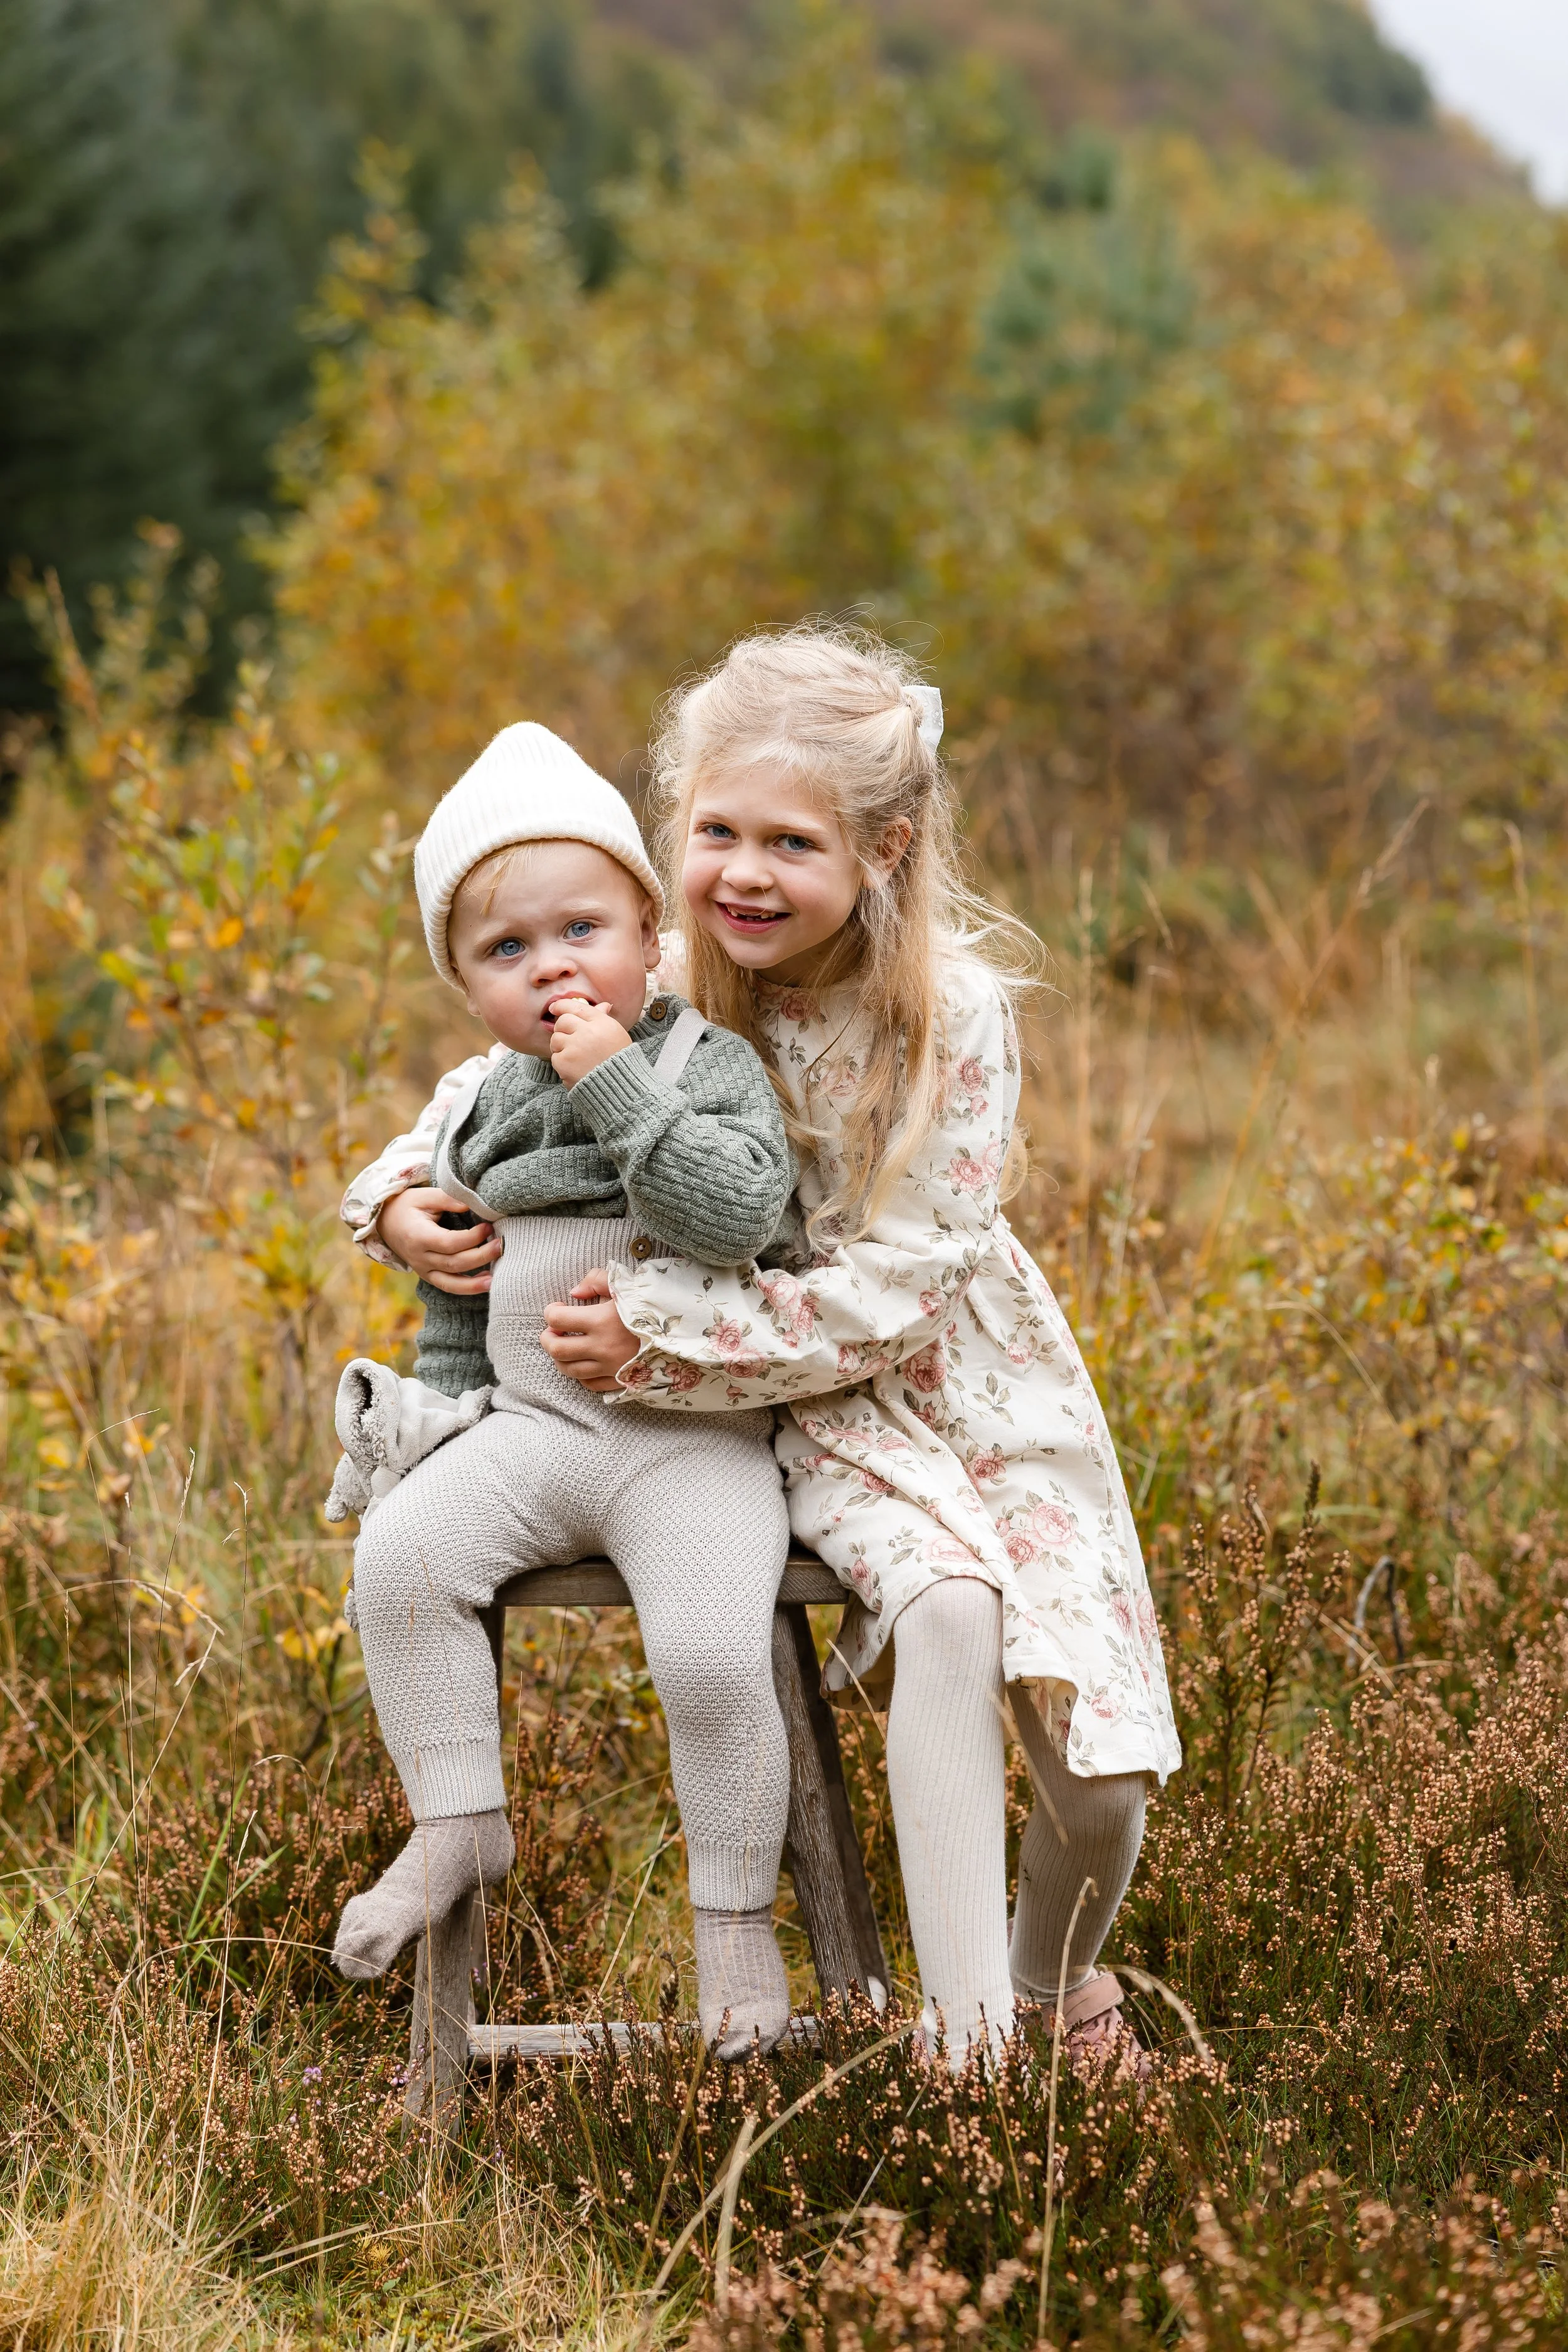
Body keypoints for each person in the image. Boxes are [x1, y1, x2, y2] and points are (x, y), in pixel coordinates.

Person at [350, 630, 1182, 2069]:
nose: (742, 874)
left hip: (954, 1378)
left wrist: (666, 1336)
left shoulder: (953, 1012)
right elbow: (485, 1085)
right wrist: (393, 1202)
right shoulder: (668, 969)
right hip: (792, 1412)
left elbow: (901, 1288)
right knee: (946, 1615)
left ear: (882, 848)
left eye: (789, 843)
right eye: (714, 833)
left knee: (1097, 1774)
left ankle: (1050, 1989)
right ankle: (969, 2065)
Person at [332, 721, 803, 2060]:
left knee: (709, 1655)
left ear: (651, 934)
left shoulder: (700, 1061)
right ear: (467, 988)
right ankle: (459, 1821)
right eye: (507, 949)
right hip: (530, 1432)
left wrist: (615, 1084)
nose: (552, 966)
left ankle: (734, 1927)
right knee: (401, 1559)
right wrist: (406, 1237)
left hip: (688, 1443)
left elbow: (734, 1218)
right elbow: (437, 1239)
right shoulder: (484, 1100)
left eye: (583, 929)